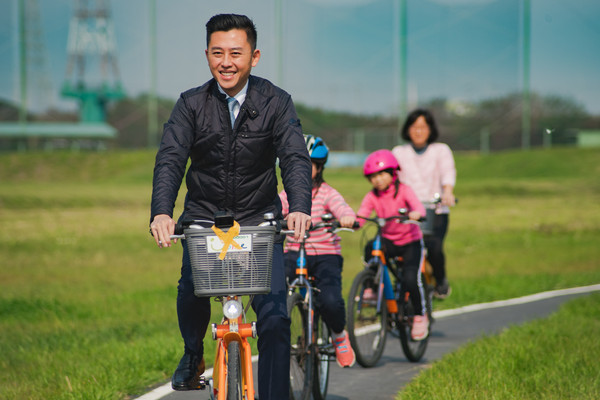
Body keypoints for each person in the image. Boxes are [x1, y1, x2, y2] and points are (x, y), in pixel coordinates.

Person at [149, 14, 312, 399]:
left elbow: (294, 157)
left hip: (260, 220)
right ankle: (193, 355)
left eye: (236, 53)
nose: (226, 62)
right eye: (217, 52)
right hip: (205, 218)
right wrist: (161, 211)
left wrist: (299, 206)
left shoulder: (276, 101)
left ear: (254, 57)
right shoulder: (191, 104)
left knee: (273, 317)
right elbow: (171, 158)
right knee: (190, 288)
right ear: (206, 54)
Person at [279, 134, 357, 368]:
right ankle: (284, 332)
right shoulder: (286, 195)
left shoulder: (327, 193)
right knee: (274, 294)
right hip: (293, 252)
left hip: (325, 255)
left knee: (331, 301)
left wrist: (346, 217)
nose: (301, 169)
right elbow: (273, 208)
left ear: (320, 167)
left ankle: (339, 335)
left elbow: (341, 207)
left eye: (308, 164)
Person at [357, 149, 429, 340]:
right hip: (388, 240)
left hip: (410, 242)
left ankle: (420, 315)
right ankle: (372, 286)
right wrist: (354, 222)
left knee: (410, 279)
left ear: (393, 173)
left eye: (381, 174)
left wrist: (416, 214)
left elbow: (418, 207)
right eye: (373, 177)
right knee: (370, 247)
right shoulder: (372, 196)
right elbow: (363, 214)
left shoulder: (404, 190)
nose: (377, 180)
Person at [392, 108, 456, 299]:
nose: (418, 131)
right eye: (414, 127)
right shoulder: (399, 152)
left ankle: (440, 280)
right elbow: (393, 178)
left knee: (435, 248)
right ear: (407, 129)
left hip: (434, 210)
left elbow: (447, 172)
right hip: (407, 213)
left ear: (430, 130)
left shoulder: (441, 150)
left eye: (423, 127)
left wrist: (447, 192)